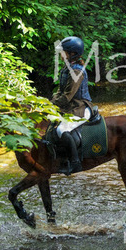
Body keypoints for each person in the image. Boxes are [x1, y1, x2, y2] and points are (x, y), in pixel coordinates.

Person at [51, 36, 92, 174]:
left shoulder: (76, 71)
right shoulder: (67, 68)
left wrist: (50, 105)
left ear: (72, 53)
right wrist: (50, 102)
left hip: (80, 108)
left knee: (61, 130)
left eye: (63, 52)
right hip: (70, 107)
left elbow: (67, 96)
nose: (61, 55)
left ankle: (75, 163)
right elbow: (60, 91)